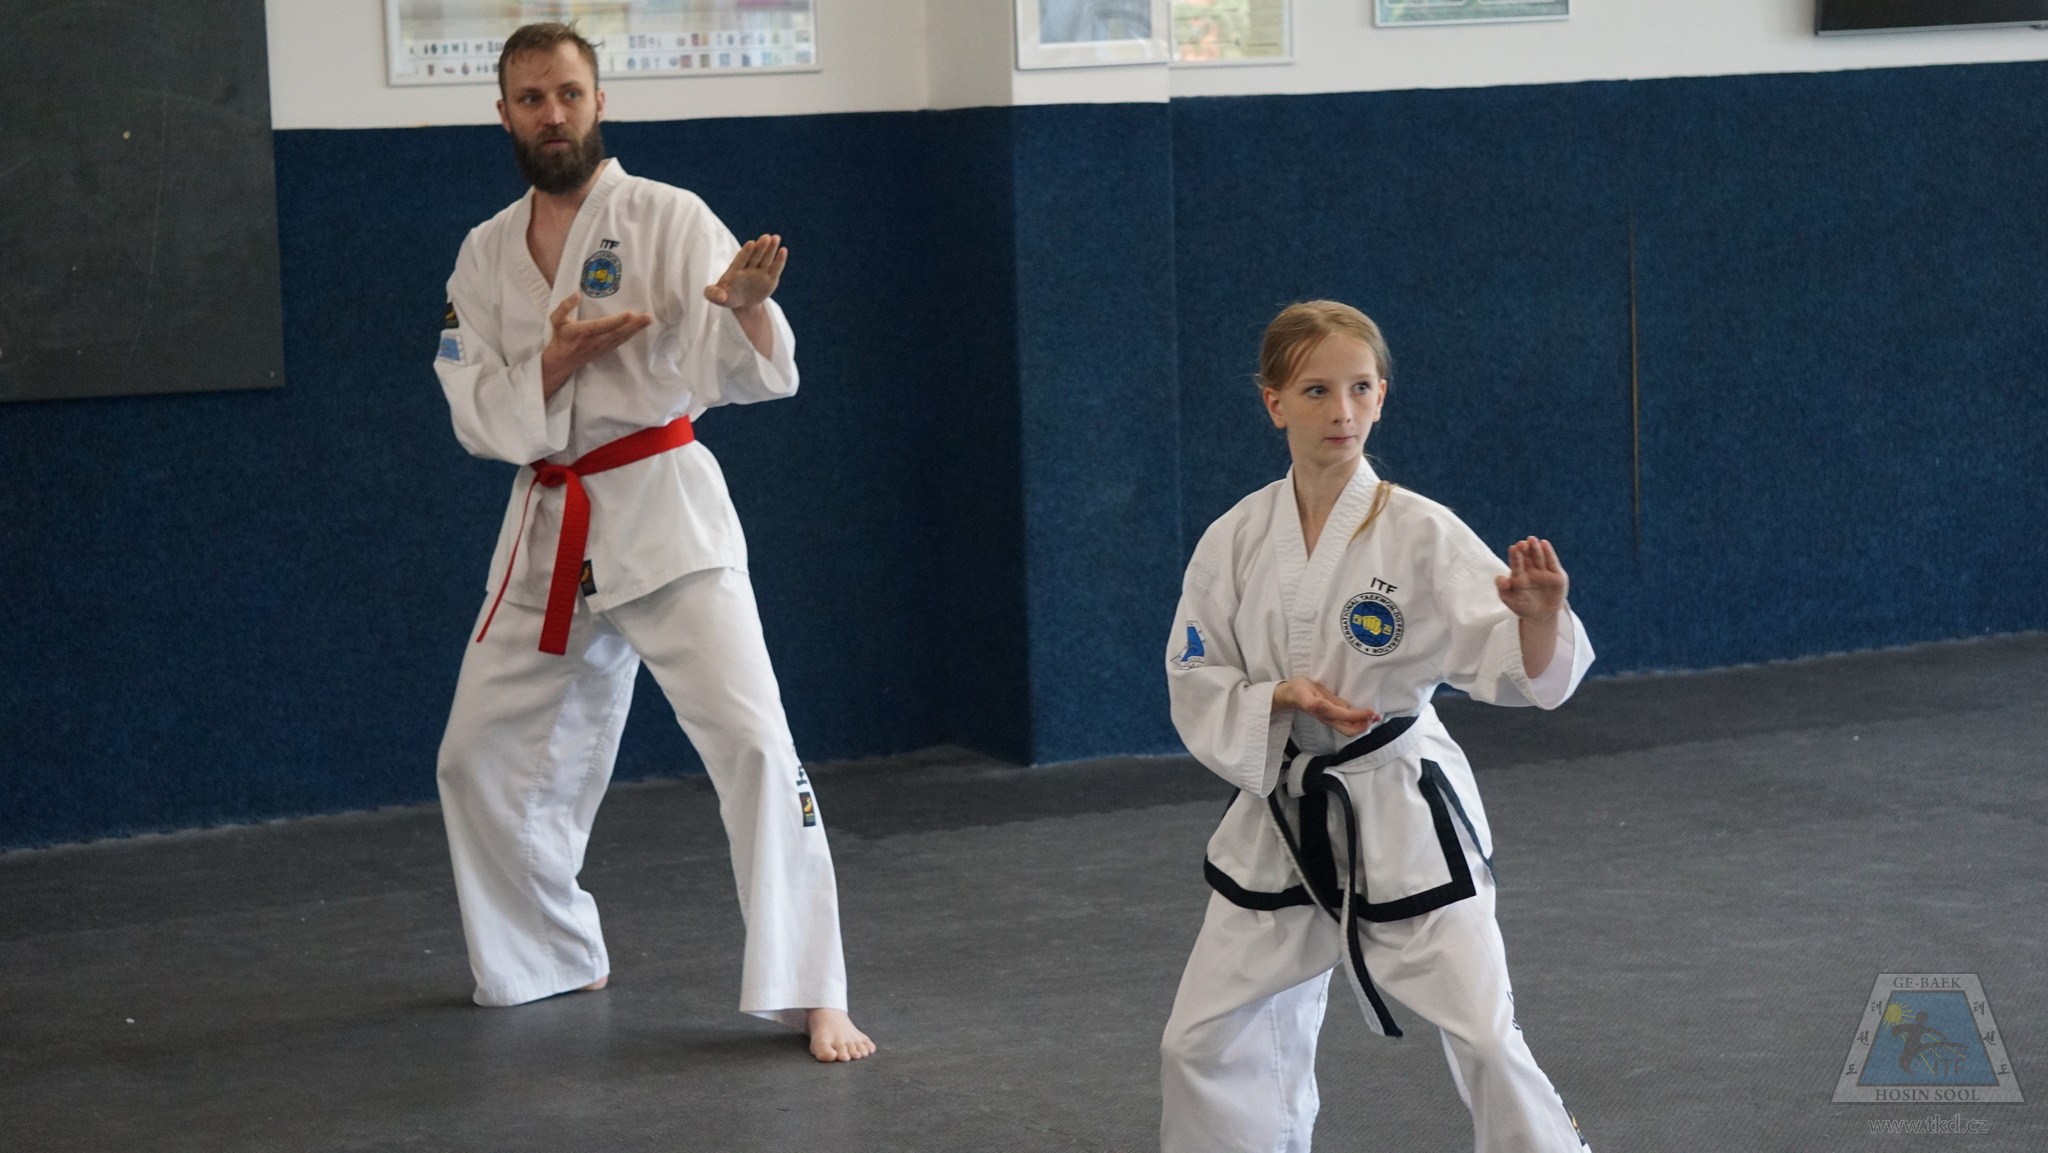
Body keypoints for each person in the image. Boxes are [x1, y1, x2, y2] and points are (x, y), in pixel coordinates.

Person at [431, 22, 872, 1063]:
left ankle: (814, 989)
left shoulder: (668, 216)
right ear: (503, 115)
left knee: (754, 742)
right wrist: (551, 364)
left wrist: (748, 312)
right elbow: (470, 405)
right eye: (531, 98)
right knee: (473, 756)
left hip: (662, 508)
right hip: (548, 522)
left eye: (568, 93)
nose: (552, 114)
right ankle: (549, 949)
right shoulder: (484, 252)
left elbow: (745, 365)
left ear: (599, 101)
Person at [1159, 301, 1592, 1148]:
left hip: (1400, 809)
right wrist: (1279, 698)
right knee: (1197, 1041)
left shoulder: (1421, 531)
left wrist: (1540, 618)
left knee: (1485, 1036)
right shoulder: (1234, 538)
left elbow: (1515, 664)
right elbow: (1195, 670)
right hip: (1284, 815)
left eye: (1360, 388)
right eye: (1316, 390)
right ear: (1274, 403)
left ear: (1382, 396)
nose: (1342, 410)